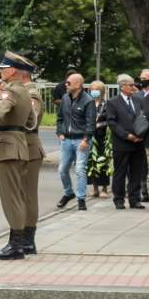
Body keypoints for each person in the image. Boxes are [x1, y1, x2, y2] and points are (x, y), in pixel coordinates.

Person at [0, 52, 46, 258]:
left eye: (3, 69)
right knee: (22, 195)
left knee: (25, 196)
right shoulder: (22, 91)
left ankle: (24, 241)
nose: (1, 73)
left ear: (19, 73)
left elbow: (32, 120)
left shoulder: (29, 93)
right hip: (22, 145)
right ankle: (24, 241)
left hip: (26, 145)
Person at [100, 75, 147, 209]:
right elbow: (112, 122)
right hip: (122, 143)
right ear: (123, 86)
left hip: (138, 142)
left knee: (137, 172)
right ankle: (119, 199)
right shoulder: (113, 102)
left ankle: (134, 199)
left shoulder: (138, 100)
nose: (134, 87)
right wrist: (127, 135)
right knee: (120, 173)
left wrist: (142, 134)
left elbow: (143, 118)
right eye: (131, 85)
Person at [54, 71, 98, 212]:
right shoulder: (65, 98)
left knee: (80, 169)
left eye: (68, 83)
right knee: (62, 170)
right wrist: (60, 132)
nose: (65, 85)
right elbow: (60, 118)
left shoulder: (88, 101)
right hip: (66, 140)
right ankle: (68, 193)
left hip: (81, 140)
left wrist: (86, 139)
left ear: (78, 84)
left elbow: (91, 123)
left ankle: (81, 199)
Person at [88, 81, 113, 201]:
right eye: (93, 88)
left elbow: (111, 120)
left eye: (97, 89)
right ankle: (94, 187)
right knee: (92, 162)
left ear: (102, 91)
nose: (94, 91)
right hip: (90, 136)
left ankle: (104, 188)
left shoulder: (107, 104)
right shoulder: (88, 103)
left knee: (103, 162)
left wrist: (100, 124)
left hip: (102, 136)